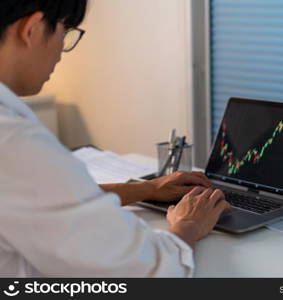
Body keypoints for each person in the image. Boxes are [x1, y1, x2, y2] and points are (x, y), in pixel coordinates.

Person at [0, 0, 230, 277]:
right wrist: (190, 224)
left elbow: (44, 202)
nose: (62, 52)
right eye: (65, 32)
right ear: (33, 29)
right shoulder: (16, 143)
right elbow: (145, 271)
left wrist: (149, 189)